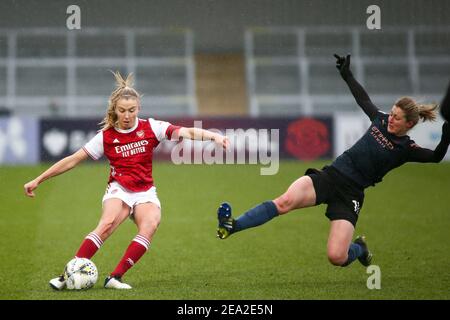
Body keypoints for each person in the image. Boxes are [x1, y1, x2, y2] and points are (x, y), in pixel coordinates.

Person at [216, 54, 450, 269]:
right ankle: (233, 225)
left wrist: (446, 136)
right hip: (330, 176)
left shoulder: (406, 148)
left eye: (396, 118)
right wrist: (347, 75)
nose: (390, 119)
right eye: (391, 113)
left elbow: (436, 157)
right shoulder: (379, 119)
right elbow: (362, 98)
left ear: (409, 124)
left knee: (336, 257)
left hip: (351, 194)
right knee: (285, 201)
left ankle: (359, 248)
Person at [24, 71, 229, 290]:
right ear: (115, 110)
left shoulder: (151, 127)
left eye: (132, 110)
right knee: (107, 224)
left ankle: (115, 277)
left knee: (150, 224)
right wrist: (39, 179)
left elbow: (185, 131)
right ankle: (66, 277)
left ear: (138, 109)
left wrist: (214, 136)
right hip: (119, 189)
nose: (127, 115)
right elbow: (73, 160)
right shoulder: (106, 136)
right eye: (122, 110)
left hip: (145, 191)